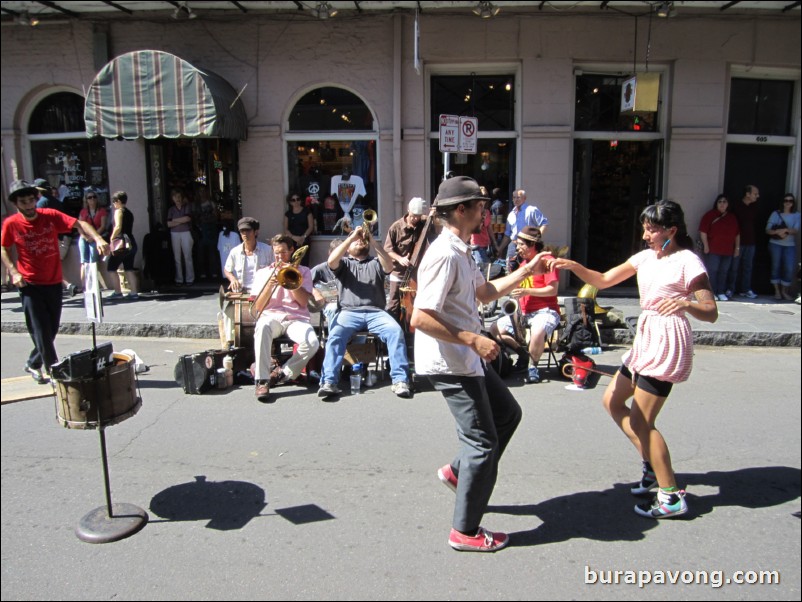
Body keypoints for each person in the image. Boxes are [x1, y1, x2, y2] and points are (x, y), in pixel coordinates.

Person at [550, 200, 718, 520]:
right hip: (646, 338)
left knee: (642, 422)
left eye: (652, 229)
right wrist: (573, 267)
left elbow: (710, 312)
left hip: (668, 341)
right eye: (644, 228)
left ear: (671, 230)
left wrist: (685, 303)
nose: (645, 235)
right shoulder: (644, 257)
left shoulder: (688, 262)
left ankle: (670, 497)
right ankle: (653, 467)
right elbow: (602, 280)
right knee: (612, 401)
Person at [410, 176, 547, 553]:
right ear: (461, 210)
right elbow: (420, 318)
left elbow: (483, 292)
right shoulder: (444, 254)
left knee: (507, 414)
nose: (485, 212)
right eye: (479, 206)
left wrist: (526, 269)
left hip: (467, 355)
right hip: (450, 360)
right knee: (483, 443)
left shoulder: (462, 249)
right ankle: (465, 531)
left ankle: (458, 472)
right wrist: (472, 337)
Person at [1, 180, 109, 383]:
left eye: (31, 200)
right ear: (17, 204)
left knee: (52, 328)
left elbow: (80, 223)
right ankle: (54, 370)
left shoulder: (49, 217)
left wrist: (98, 239)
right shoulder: (11, 224)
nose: (29, 205)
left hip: (53, 282)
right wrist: (14, 272)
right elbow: (3, 248)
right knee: (40, 329)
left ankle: (33, 363)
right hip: (29, 284)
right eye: (23, 202)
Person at [317, 226, 413, 400]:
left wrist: (373, 240)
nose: (360, 241)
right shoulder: (344, 264)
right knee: (335, 334)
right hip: (349, 311)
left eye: (362, 240)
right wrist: (352, 236)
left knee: (395, 331)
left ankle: (400, 380)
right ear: (348, 248)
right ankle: (329, 381)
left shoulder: (376, 262)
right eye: (356, 242)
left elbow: (390, 266)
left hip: (376, 312)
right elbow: (331, 261)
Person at [488, 226, 560, 383]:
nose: (517, 248)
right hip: (524, 312)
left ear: (532, 244)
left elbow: (552, 290)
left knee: (537, 331)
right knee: (494, 329)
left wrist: (527, 291)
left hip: (545, 311)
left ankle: (533, 366)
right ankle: (523, 355)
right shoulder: (523, 264)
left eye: (521, 244)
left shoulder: (548, 262)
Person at [251, 235, 319, 402]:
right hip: (272, 316)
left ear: (291, 251)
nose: (280, 257)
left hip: (297, 318)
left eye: (283, 252)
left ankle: (283, 373)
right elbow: (258, 307)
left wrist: (291, 281)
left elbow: (304, 302)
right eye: (276, 253)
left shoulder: (303, 272)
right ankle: (262, 380)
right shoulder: (263, 273)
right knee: (262, 327)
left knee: (312, 342)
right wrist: (270, 284)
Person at [383, 197, 435, 323]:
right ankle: (393, 328)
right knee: (394, 303)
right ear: (408, 210)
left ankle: (411, 329)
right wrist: (400, 258)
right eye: (412, 216)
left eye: (418, 216)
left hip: (417, 273)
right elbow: (388, 249)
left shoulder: (424, 222)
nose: (415, 219)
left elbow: (437, 228)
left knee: (417, 302)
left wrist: (433, 215)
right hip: (399, 271)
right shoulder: (396, 227)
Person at [34, 178, 79, 296]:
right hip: (64, 237)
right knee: (51, 264)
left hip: (55, 238)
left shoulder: (41, 204)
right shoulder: (57, 202)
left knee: (49, 264)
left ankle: (66, 286)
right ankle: (67, 286)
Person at [698, 194, 740, 302]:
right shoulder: (710, 215)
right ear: (716, 203)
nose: (722, 204)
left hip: (728, 250)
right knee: (713, 271)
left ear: (728, 204)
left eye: (724, 202)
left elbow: (737, 234)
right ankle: (712, 292)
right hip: (713, 250)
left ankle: (721, 292)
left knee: (724, 271)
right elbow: (703, 232)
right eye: (720, 201)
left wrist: (737, 248)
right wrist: (706, 245)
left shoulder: (732, 217)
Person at [498, 189, 549, 271]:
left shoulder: (531, 210)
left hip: (527, 245)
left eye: (518, 197)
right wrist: (500, 249)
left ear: (524, 198)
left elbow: (544, 224)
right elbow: (507, 234)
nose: (515, 199)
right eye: (514, 197)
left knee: (528, 269)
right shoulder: (511, 214)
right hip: (513, 245)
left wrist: (535, 240)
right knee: (509, 269)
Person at [223, 217, 275, 294]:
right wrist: (233, 279)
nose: (245, 234)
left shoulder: (268, 250)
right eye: (242, 231)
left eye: (248, 230)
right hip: (240, 292)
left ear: (256, 232)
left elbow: (276, 268)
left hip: (262, 292)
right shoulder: (235, 251)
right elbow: (227, 269)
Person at [105, 191, 140, 300]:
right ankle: (134, 292)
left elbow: (118, 226)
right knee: (129, 268)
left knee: (111, 268)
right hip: (130, 242)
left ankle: (117, 291)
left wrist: (112, 238)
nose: (114, 204)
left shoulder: (119, 211)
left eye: (114, 202)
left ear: (119, 201)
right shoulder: (129, 213)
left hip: (121, 243)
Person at [726, 185, 760, 299]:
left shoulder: (755, 207)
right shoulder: (736, 206)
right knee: (734, 267)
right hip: (738, 242)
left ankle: (745, 289)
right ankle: (730, 289)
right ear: (747, 194)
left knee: (748, 267)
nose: (757, 196)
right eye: (755, 194)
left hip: (751, 242)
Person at [765, 193, 800, 301]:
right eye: (786, 200)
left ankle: (785, 291)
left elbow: (795, 230)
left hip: (789, 245)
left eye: (790, 201)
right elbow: (767, 230)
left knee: (789, 268)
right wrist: (777, 231)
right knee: (776, 267)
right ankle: (777, 291)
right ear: (782, 202)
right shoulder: (776, 214)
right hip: (776, 244)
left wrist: (784, 230)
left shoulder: (797, 215)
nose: (788, 203)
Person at [77, 188, 109, 286]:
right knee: (84, 261)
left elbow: (103, 226)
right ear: (86, 200)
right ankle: (84, 285)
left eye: (94, 197)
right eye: (89, 197)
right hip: (84, 237)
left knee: (93, 261)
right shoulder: (83, 211)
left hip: (96, 237)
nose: (92, 199)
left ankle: (94, 284)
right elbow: (79, 225)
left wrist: (94, 237)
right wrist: (84, 236)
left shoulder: (102, 211)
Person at [167, 188, 195, 286]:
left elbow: (187, 218)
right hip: (174, 234)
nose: (177, 199)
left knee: (187, 256)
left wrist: (175, 220)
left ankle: (190, 278)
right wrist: (181, 220)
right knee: (177, 257)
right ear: (172, 198)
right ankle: (179, 279)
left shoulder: (186, 207)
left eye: (179, 196)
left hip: (186, 232)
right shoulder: (171, 209)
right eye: (175, 197)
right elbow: (168, 224)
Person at [283, 192, 314, 267]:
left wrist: (303, 237)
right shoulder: (288, 214)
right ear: (290, 202)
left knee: (304, 262)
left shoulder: (307, 212)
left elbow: (311, 227)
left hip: (304, 241)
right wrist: (294, 237)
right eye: (293, 200)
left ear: (301, 200)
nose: (296, 201)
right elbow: (285, 229)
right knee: (292, 262)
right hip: (291, 241)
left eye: (298, 199)